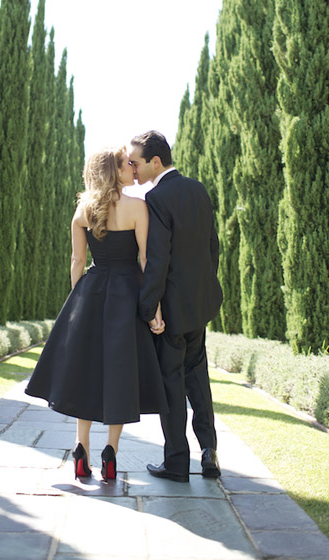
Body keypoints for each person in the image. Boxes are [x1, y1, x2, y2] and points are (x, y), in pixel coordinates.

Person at [25, 147, 167, 481]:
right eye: (125, 164)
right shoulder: (137, 207)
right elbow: (145, 261)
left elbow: (76, 263)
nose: (131, 167)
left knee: (86, 373)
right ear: (114, 172)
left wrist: (78, 302)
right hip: (127, 297)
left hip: (92, 293)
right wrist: (153, 306)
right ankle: (111, 452)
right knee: (120, 374)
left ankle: (80, 446)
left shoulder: (83, 209)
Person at [129, 130, 223, 483]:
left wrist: (147, 307)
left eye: (135, 162)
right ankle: (209, 451)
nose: (132, 168)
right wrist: (203, 289)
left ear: (155, 161)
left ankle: (176, 462)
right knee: (198, 377)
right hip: (199, 305)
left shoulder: (157, 197)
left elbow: (158, 259)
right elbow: (212, 246)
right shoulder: (198, 189)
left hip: (170, 312)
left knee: (171, 382)